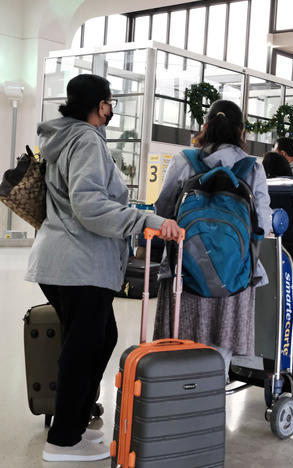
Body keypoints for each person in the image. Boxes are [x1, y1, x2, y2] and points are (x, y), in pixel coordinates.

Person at [25, 74, 180, 462]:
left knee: (99, 338)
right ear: (98, 105)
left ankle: (74, 426)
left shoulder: (62, 137)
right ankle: (62, 441)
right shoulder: (87, 140)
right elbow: (89, 206)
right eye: (109, 102)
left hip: (60, 260)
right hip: (79, 263)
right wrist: (143, 221)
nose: (111, 109)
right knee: (85, 348)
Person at [153, 100, 272, 374]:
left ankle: (180, 403)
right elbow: (263, 223)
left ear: (205, 127)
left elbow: (163, 211)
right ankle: (209, 403)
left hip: (184, 273)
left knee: (179, 348)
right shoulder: (253, 168)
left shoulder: (184, 160)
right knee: (220, 356)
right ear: (241, 132)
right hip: (236, 277)